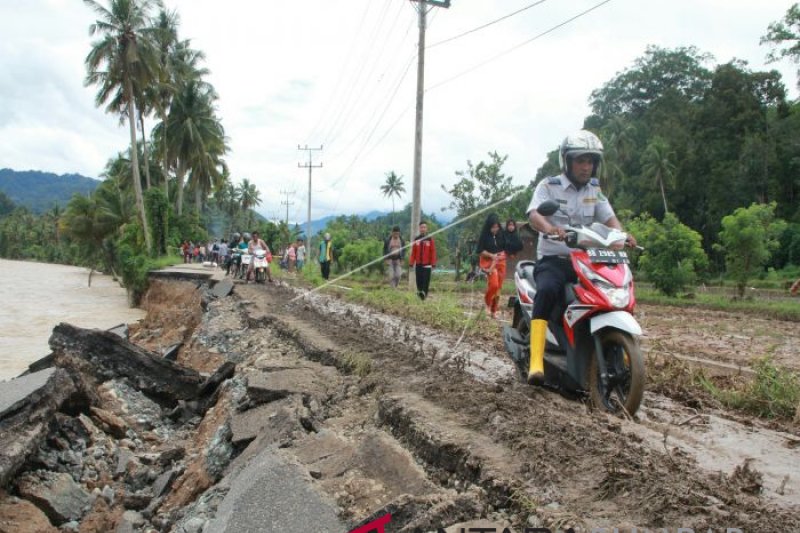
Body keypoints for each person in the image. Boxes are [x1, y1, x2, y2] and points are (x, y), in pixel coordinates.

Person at [526, 129, 636, 385]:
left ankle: (618, 353)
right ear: (567, 161)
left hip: (587, 260)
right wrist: (550, 228)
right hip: (556, 260)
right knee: (548, 290)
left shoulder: (594, 191)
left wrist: (623, 235)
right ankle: (536, 362)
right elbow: (534, 214)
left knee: (612, 291)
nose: (586, 167)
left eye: (590, 161)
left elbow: (609, 218)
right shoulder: (548, 186)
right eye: (580, 160)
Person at [477, 214, 507, 318]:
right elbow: (480, 251)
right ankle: (487, 303)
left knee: (498, 288)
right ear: (489, 227)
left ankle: (494, 311)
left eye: (497, 227)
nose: (495, 229)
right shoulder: (484, 236)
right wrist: (491, 255)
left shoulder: (501, 234)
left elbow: (505, 247)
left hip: (501, 262)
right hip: (489, 262)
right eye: (493, 227)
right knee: (494, 285)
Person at [409, 221, 436, 300]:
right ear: (419, 228)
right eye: (421, 227)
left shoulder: (430, 239)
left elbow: (433, 252)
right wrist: (411, 262)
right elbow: (413, 252)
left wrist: (433, 263)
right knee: (419, 281)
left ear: (426, 229)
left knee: (425, 282)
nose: (423, 229)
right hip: (418, 264)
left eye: (424, 227)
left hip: (427, 265)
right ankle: (419, 296)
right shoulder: (416, 239)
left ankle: (424, 297)